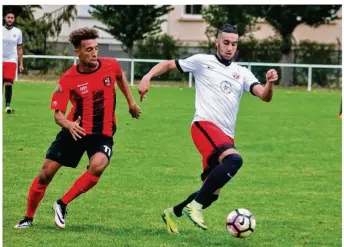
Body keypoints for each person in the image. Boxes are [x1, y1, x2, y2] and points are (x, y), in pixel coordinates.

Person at [138, 24, 278, 234]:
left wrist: (269, 83)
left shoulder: (242, 73)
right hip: (203, 126)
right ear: (217, 42)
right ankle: (194, 207)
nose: (230, 48)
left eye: (234, 44)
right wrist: (147, 77)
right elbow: (168, 64)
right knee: (235, 160)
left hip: (225, 136)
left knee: (212, 193)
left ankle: (171, 212)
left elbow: (264, 96)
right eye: (226, 43)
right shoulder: (203, 62)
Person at [14, 27, 142, 229]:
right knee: (45, 173)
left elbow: (120, 77)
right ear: (78, 52)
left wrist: (131, 103)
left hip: (103, 131)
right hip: (76, 129)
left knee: (99, 165)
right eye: (89, 49)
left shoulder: (110, 65)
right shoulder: (68, 79)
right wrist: (69, 124)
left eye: (96, 48)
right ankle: (28, 218)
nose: (94, 53)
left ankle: (62, 203)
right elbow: (58, 114)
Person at [3, 9, 24, 114]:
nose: (10, 19)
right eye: (8, 17)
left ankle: (7, 106)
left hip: (11, 60)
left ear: (14, 19)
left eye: (12, 18)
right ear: (4, 18)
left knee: (8, 83)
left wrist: (21, 63)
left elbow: (19, 48)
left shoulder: (18, 32)